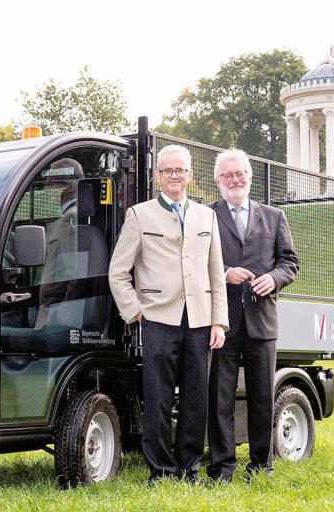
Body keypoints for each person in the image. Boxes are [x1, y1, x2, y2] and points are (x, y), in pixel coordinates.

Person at [108, 144, 228, 484]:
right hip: (158, 320)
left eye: (180, 170)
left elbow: (215, 272)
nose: (174, 175)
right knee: (158, 398)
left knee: (196, 398)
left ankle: (190, 468)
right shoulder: (139, 215)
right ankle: (161, 470)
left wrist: (219, 321)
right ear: (158, 175)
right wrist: (136, 312)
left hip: (200, 321)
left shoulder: (207, 216)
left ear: (190, 174)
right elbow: (118, 272)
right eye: (168, 170)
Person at [206, 149, 300, 483]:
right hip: (222, 322)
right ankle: (222, 467)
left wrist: (273, 279)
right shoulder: (206, 216)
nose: (234, 179)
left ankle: (262, 465)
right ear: (218, 181)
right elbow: (195, 260)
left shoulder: (274, 216)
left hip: (263, 321)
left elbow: (290, 262)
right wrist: (225, 273)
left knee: (262, 396)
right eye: (227, 175)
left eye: (239, 173)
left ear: (249, 176)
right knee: (220, 398)